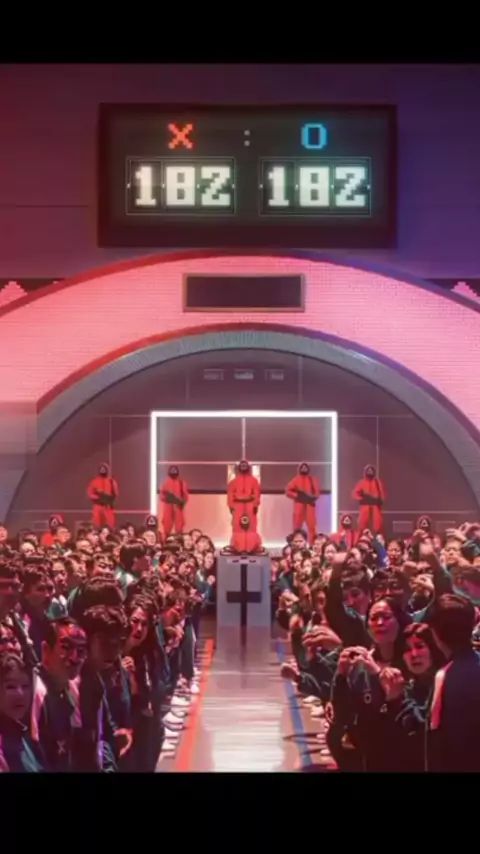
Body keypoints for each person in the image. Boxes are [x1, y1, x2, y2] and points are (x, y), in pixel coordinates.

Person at [31, 618, 88, 771]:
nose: (75, 658)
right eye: (66, 647)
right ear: (46, 649)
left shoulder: (72, 687)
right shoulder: (36, 691)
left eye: (81, 651)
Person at [285, 462, 320, 545]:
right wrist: (297, 495)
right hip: (299, 505)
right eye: (302, 467)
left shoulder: (313, 480)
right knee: (297, 527)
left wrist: (311, 497)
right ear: (299, 469)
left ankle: (312, 545)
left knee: (312, 527)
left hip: (309, 505)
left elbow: (317, 493)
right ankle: (296, 544)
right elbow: (288, 491)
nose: (304, 469)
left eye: (305, 467)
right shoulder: (295, 480)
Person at [227, 460, 261, 534]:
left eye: (245, 466)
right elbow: (230, 495)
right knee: (237, 525)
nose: (243, 467)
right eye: (242, 466)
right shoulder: (233, 482)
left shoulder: (254, 481)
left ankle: (251, 540)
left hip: (249, 504)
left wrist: (255, 505)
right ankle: (238, 540)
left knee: (251, 525)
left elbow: (257, 493)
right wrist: (231, 506)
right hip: (238, 505)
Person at [352, 464, 386, 534]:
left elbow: (382, 493)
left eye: (371, 470)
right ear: (365, 472)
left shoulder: (377, 483)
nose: (370, 472)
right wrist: (361, 499)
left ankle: (377, 534)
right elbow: (355, 493)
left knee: (377, 522)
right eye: (368, 470)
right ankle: (363, 534)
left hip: (375, 505)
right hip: (365, 505)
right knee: (362, 522)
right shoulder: (361, 482)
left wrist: (380, 500)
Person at [87, 463, 118, 529]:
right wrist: (99, 498)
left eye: (104, 469)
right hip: (98, 506)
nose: (103, 470)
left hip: (108, 507)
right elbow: (90, 494)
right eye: (101, 469)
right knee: (97, 525)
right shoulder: (94, 481)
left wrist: (108, 498)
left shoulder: (111, 481)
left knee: (109, 525)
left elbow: (116, 494)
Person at [160, 466, 189, 536]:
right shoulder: (166, 484)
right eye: (172, 471)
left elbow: (185, 497)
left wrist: (179, 501)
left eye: (174, 471)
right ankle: (166, 538)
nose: (173, 472)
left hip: (178, 507)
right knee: (167, 524)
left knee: (179, 526)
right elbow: (162, 497)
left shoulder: (182, 483)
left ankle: (179, 537)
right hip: (168, 507)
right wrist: (171, 499)